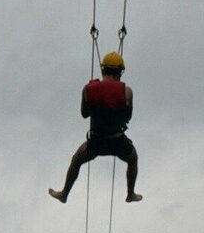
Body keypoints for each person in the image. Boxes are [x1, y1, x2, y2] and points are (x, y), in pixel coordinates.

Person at [49, 52, 142, 204]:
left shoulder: (88, 89)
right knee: (133, 158)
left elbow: (84, 114)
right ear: (120, 71)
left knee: (76, 160)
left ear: (103, 69)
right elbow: (128, 117)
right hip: (118, 140)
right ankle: (130, 194)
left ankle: (64, 194)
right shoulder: (127, 92)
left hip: (97, 141)